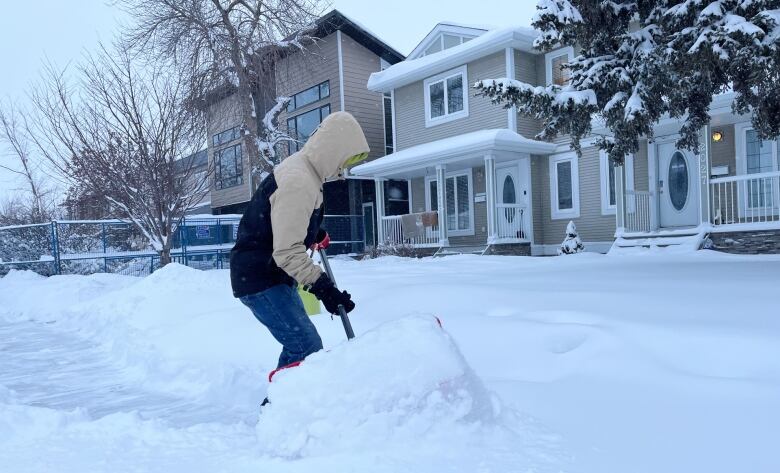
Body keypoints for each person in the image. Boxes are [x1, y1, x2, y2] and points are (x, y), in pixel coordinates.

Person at [230, 111, 369, 379]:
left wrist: (314, 231)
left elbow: (286, 221)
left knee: (302, 345)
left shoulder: (306, 172)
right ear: (333, 150)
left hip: (270, 274)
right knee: (305, 346)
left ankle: (288, 404)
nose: (342, 172)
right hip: (260, 278)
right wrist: (324, 288)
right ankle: (281, 410)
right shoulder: (298, 180)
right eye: (344, 161)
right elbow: (287, 250)